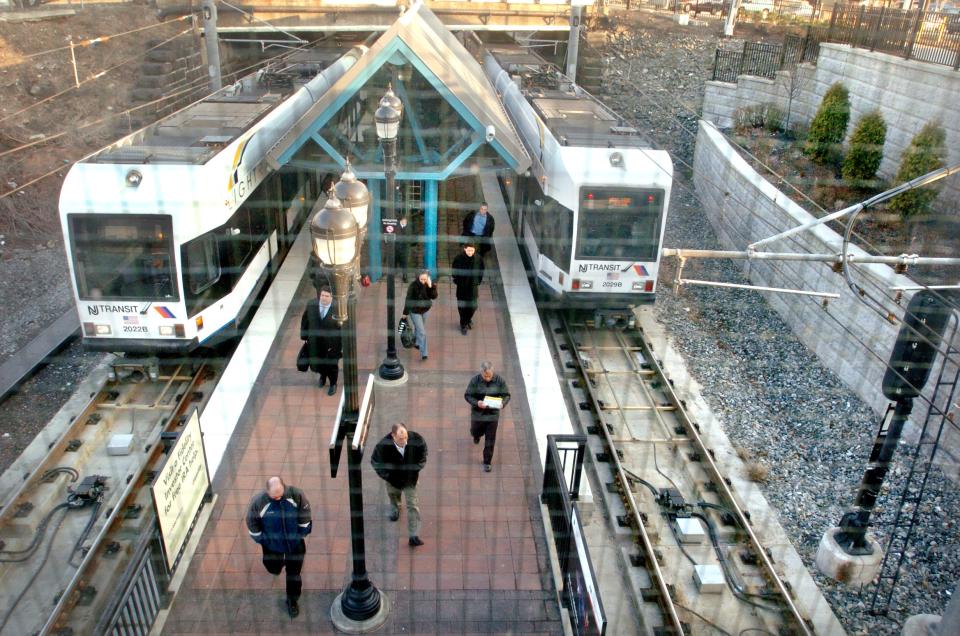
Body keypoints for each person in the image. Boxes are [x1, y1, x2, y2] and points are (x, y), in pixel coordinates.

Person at [245, 476, 312, 618]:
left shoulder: (296, 495)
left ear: (284, 487)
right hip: (272, 545)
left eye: (280, 495)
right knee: (272, 566)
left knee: (294, 574)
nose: (278, 499)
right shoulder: (258, 503)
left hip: (294, 543)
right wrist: (263, 540)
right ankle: (276, 566)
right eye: (274, 497)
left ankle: (292, 600)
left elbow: (305, 514)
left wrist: (301, 533)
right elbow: (252, 523)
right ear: (267, 492)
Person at [371, 423, 428, 547]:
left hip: (410, 480)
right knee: (393, 496)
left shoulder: (417, 440)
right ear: (393, 436)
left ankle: (414, 535)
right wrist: (388, 476)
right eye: (401, 438)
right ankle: (395, 507)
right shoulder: (382, 446)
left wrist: (415, 469)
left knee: (413, 506)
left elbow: (423, 455)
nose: (404, 440)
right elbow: (375, 462)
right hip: (393, 480)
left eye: (406, 437)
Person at [464, 362, 511, 472]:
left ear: (492, 372)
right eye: (485, 376)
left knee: (490, 438)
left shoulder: (500, 381)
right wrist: (477, 403)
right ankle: (476, 435)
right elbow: (467, 395)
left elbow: (506, 395)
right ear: (481, 373)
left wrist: (503, 403)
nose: (488, 378)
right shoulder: (474, 381)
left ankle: (487, 461)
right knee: (475, 431)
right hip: (478, 413)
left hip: (492, 415)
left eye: (489, 375)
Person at [300, 286, 342, 395]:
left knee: (332, 366)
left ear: (332, 297)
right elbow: (305, 321)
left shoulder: (338, 308)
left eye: (327, 296)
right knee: (318, 363)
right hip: (315, 343)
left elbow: (342, 329)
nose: (323, 298)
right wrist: (304, 337)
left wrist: (341, 347)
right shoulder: (311, 304)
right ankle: (323, 376)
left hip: (331, 345)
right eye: (322, 295)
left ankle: (333, 383)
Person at [401, 269, 438, 361]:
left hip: (425, 310)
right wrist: (405, 313)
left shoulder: (429, 284)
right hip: (415, 311)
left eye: (425, 279)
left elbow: (434, 296)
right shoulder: (413, 286)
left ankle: (417, 343)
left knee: (419, 328)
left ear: (428, 278)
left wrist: (431, 286)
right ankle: (424, 353)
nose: (423, 281)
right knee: (422, 332)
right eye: (421, 279)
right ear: (418, 278)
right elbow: (408, 300)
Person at [451, 243, 484, 335]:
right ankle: (463, 324)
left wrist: (478, 281)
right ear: (465, 249)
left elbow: (481, 271)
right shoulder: (458, 258)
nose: (470, 252)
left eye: (472, 250)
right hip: (462, 287)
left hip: (473, 287)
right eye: (468, 250)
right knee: (462, 307)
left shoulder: (478, 259)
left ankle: (468, 319)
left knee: (473, 306)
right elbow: (454, 271)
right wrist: (458, 281)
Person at [394, 215, 411, 283]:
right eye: (404, 221)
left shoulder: (407, 226)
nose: (405, 223)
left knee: (404, 262)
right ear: (400, 220)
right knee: (396, 260)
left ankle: (405, 276)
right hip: (396, 247)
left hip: (404, 248)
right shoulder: (396, 226)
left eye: (406, 221)